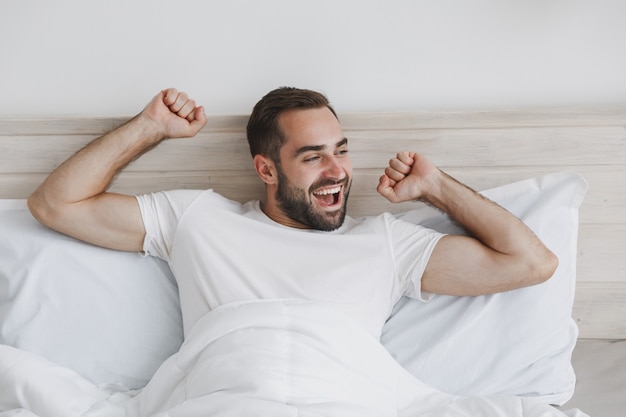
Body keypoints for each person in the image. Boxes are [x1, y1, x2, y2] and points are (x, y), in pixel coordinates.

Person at [27, 87, 558, 338]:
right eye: (312, 157)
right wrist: (149, 127)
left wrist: (437, 188)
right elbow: (56, 204)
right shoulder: (198, 219)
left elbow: (531, 264)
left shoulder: (386, 242)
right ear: (265, 169)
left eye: (341, 150)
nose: (336, 171)